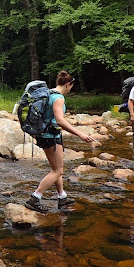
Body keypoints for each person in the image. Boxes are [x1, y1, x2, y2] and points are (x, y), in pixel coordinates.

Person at [25, 71, 95, 213]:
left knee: (56, 169)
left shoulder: (49, 93)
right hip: (50, 136)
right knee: (58, 171)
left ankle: (62, 197)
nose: (70, 90)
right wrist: (80, 134)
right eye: (71, 87)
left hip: (49, 134)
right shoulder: (58, 98)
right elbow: (60, 121)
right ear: (68, 84)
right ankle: (35, 198)